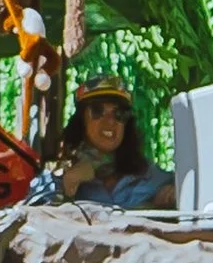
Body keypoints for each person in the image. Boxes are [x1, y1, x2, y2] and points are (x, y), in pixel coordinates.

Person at [31, 76, 176, 209]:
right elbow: (27, 220)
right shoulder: (55, 176)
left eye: (119, 113)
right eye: (97, 110)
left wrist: (174, 194)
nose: (110, 121)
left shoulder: (149, 174)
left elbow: (191, 192)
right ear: (81, 121)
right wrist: (66, 186)